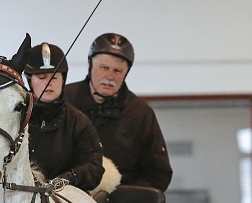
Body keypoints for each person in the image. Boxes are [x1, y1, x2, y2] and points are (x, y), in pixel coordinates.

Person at [65, 33, 172, 192]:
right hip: (65, 201)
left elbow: (158, 174)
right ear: (90, 65)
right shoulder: (64, 101)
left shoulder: (141, 113)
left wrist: (127, 198)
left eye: (118, 70)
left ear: (126, 73)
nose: (110, 76)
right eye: (104, 68)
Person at [23, 42, 104, 191]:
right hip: (19, 197)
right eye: (41, 77)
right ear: (30, 81)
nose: (49, 83)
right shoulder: (17, 118)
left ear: (63, 79)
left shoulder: (79, 121)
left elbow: (94, 167)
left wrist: (70, 177)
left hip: (66, 198)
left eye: (54, 78)